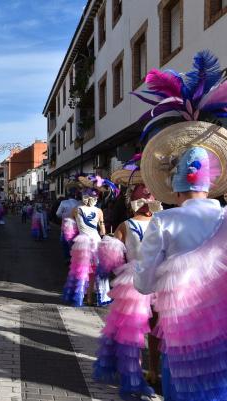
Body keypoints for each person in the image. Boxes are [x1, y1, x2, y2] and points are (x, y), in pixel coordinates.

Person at [132, 51, 227, 401]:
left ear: (172, 184)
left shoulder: (163, 221)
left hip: (181, 332)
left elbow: (143, 283)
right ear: (212, 181)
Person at [93, 166, 162, 400]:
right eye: (144, 193)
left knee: (145, 331)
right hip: (148, 280)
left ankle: (144, 372)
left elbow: (112, 259)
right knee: (144, 331)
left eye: (149, 194)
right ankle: (144, 373)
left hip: (147, 280)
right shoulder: (143, 224)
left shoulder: (146, 223)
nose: (147, 198)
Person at [62, 176, 117, 307]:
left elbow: (69, 229)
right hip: (96, 242)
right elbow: (103, 231)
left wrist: (71, 240)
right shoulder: (99, 211)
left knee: (80, 270)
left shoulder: (76, 210)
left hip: (82, 242)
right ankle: (93, 298)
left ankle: (80, 296)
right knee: (95, 270)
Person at [56, 185, 81, 261]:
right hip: (77, 226)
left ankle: (67, 257)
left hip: (66, 225)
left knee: (65, 242)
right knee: (75, 242)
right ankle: (74, 257)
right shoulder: (79, 203)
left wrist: (64, 217)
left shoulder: (63, 202)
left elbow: (58, 214)